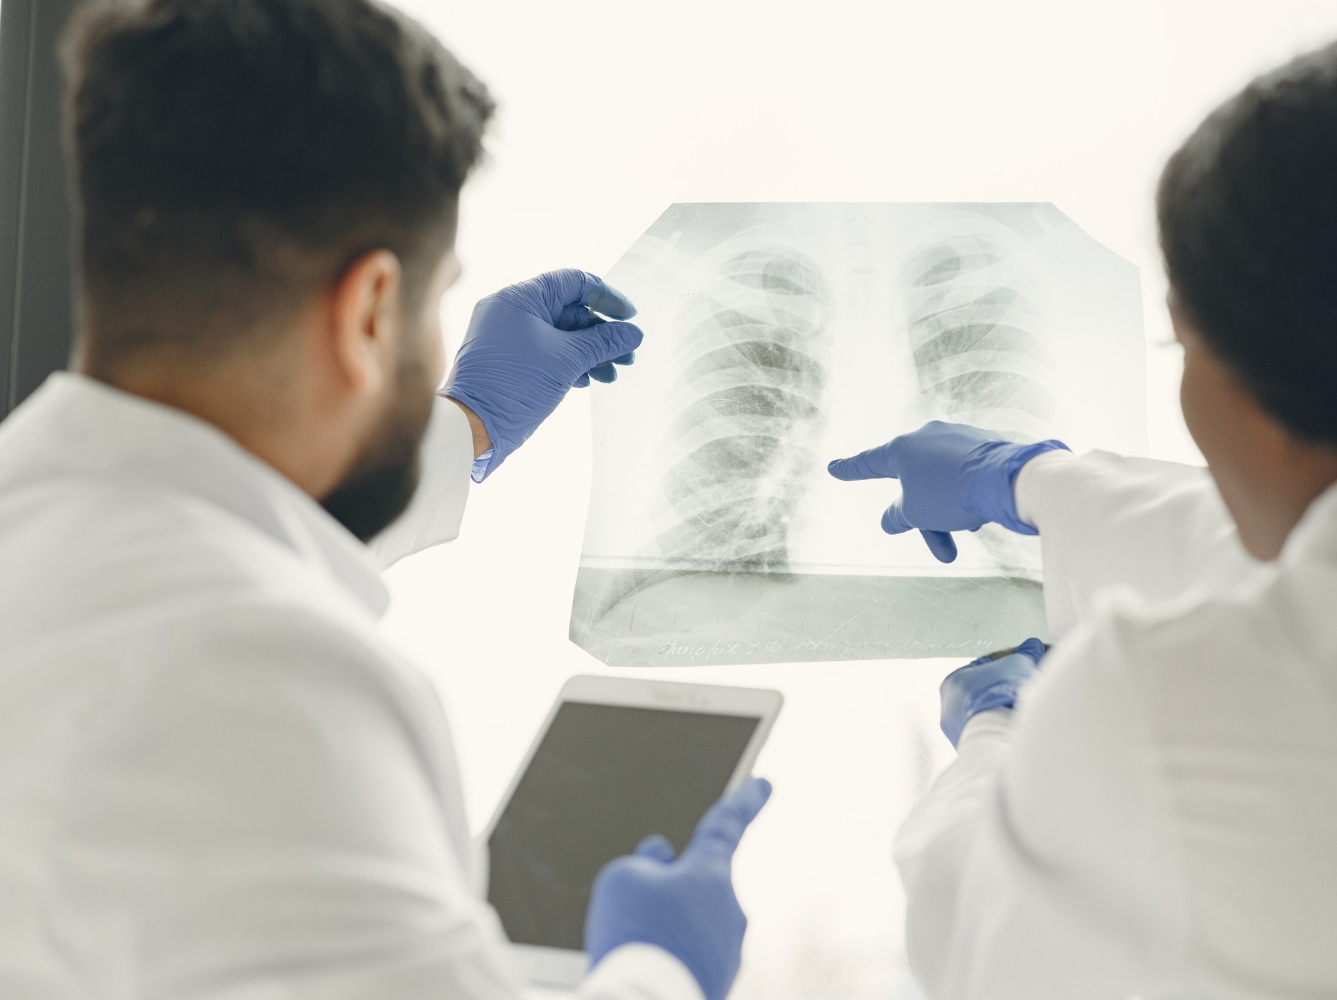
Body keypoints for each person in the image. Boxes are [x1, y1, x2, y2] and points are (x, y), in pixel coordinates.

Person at [0, 1, 767, 998]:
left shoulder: (48, 523)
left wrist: (463, 427)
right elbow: (224, 609)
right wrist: (658, 968)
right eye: (434, 296)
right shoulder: (272, 679)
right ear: (367, 308)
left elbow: (195, 550)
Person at [830, 23, 1337, 999]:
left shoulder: (1156, 705)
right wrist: (1033, 481)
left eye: (1180, 345)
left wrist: (995, 736)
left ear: (1275, 400)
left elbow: (970, 928)